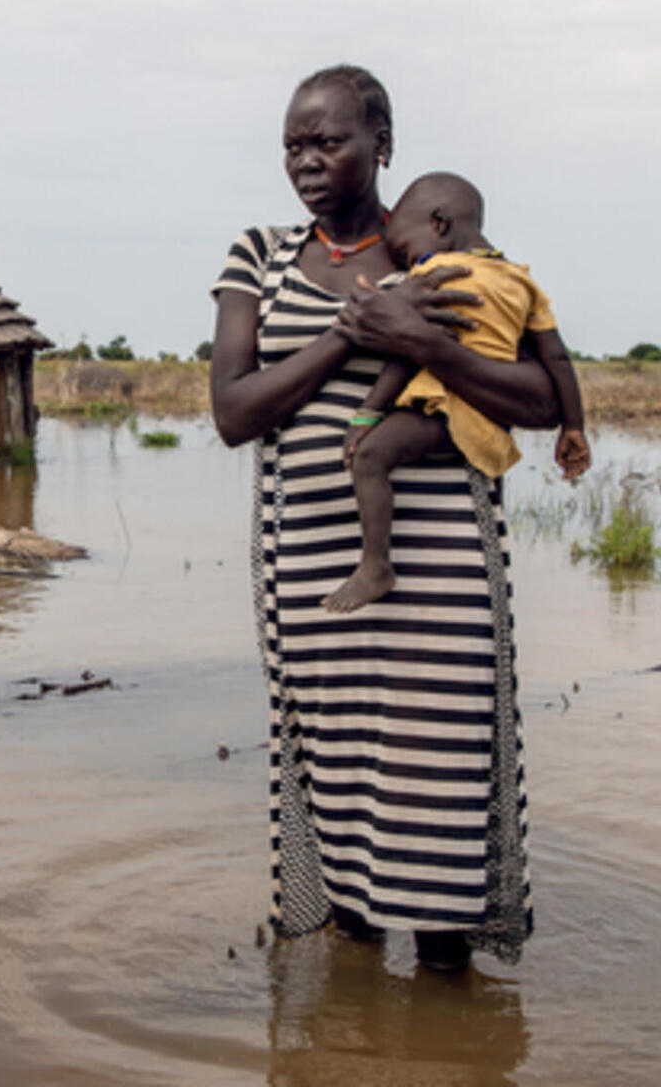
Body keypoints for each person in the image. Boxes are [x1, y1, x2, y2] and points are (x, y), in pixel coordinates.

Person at [210, 65, 560, 972]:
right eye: (293, 144)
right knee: (343, 807)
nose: (308, 161)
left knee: (438, 790)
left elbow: (542, 397)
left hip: (440, 569)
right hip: (319, 569)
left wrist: (427, 341)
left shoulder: (455, 257)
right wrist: (354, 332)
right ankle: (358, 1029)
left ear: (382, 146)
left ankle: (446, 1010)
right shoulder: (262, 254)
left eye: (329, 141)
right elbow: (235, 414)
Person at [322, 170, 590, 612]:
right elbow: (556, 360)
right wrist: (574, 428)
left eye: (404, 248)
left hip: (446, 405)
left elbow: (409, 352)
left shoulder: (436, 274)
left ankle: (375, 566)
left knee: (369, 457)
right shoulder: (524, 283)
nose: (405, 262)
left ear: (439, 225)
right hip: (489, 414)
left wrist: (367, 413)